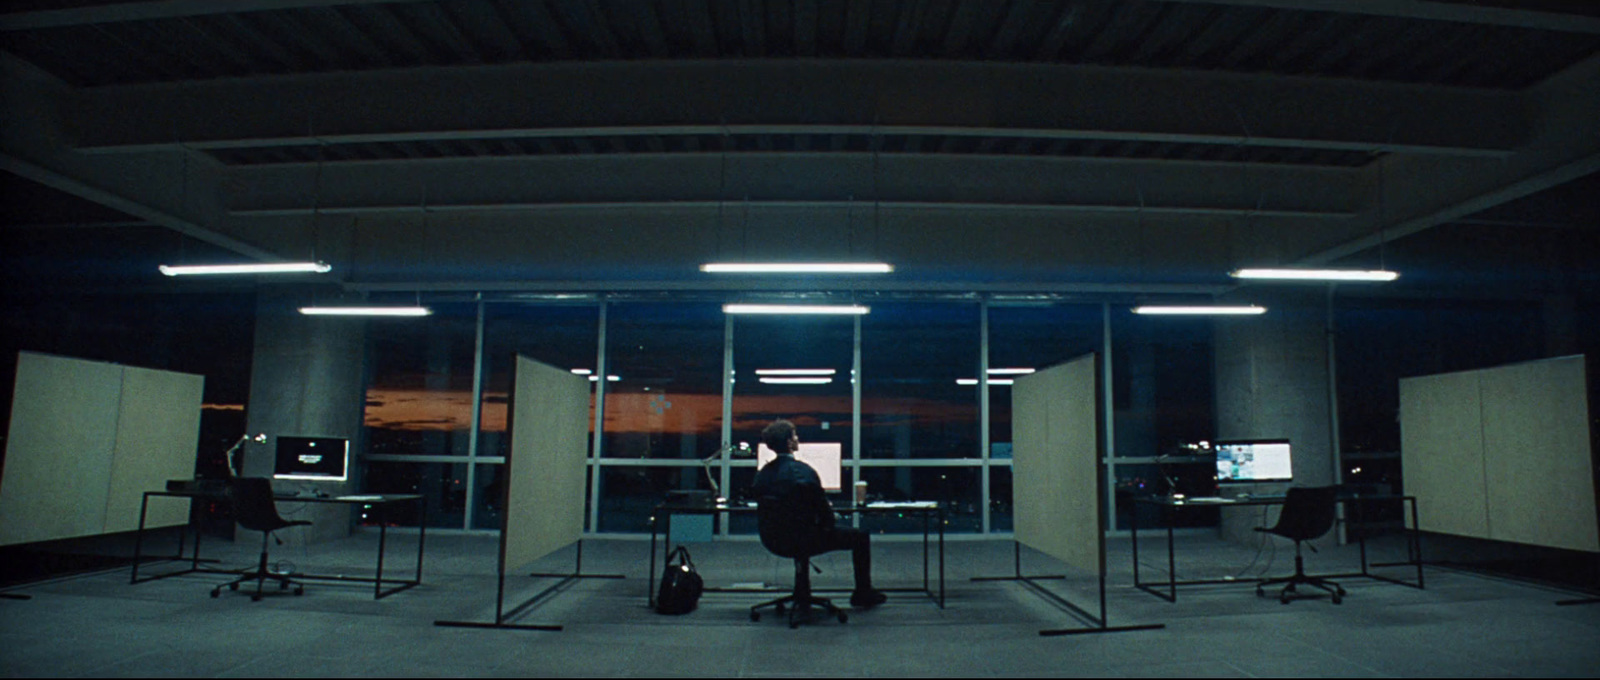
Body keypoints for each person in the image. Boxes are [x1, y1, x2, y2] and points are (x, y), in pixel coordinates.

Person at [748, 419, 887, 608]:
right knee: (860, 537)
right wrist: (830, 518)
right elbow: (825, 516)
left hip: (773, 540)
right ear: (790, 443)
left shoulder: (762, 474)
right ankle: (863, 593)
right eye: (795, 436)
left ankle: (802, 593)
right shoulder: (804, 471)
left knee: (805, 534)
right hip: (806, 538)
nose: (797, 439)